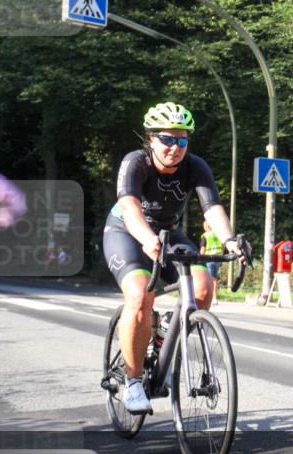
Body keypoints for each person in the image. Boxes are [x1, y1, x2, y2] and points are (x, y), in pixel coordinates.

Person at [103, 102, 248, 414]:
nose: (175, 147)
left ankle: (164, 332)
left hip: (169, 232)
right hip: (127, 232)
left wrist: (230, 240)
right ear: (151, 139)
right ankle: (133, 381)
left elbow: (212, 208)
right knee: (140, 295)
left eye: (182, 140)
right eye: (167, 139)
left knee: (203, 289)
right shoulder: (135, 162)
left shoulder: (195, 166)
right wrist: (147, 239)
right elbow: (129, 208)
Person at [199, 220, 224, 305]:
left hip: (209, 258)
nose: (204, 228)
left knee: (211, 279)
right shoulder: (219, 234)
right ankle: (213, 297)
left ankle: (212, 297)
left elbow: (203, 249)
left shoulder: (206, 235)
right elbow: (223, 246)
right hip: (218, 258)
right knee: (214, 278)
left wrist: (200, 258)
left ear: (207, 226)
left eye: (204, 226)